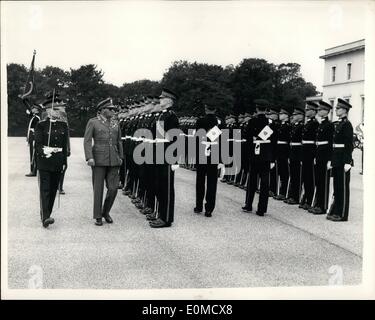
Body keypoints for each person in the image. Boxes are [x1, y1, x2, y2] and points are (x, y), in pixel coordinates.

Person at [83, 98, 123, 226]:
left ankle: (106, 211)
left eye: (113, 109)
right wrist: (89, 157)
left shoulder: (115, 123)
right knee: (98, 189)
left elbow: (119, 141)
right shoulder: (93, 122)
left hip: (114, 159)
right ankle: (98, 216)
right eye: (110, 109)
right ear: (102, 110)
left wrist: (121, 156)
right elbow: (87, 140)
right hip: (98, 159)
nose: (113, 111)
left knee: (113, 188)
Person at [34, 96, 69, 228]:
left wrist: (65, 161)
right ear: (49, 111)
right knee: (45, 189)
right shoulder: (41, 125)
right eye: (57, 109)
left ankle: (46, 212)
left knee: (54, 188)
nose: (60, 111)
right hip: (45, 160)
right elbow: (37, 144)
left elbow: (64, 146)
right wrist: (44, 151)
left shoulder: (63, 125)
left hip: (58, 161)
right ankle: (45, 217)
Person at [149, 88, 180, 228]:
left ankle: (166, 218)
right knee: (159, 186)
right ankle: (160, 214)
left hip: (167, 156)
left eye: (162, 98)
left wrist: (174, 160)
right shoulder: (162, 116)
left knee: (166, 188)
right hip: (159, 154)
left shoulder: (172, 117)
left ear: (169, 101)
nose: (160, 100)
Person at [242, 99, 276, 216]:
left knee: (252, 180)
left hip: (254, 153)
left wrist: (248, 154)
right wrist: (272, 158)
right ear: (266, 110)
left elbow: (247, 139)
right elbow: (274, 142)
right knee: (265, 182)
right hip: (266, 154)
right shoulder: (270, 122)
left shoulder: (252, 121)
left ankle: (248, 204)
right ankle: (261, 208)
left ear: (257, 109)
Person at [194, 102, 224, 217]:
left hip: (202, 151)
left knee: (200, 181)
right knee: (212, 182)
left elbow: (197, 139)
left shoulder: (200, 121)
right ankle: (209, 209)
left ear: (206, 109)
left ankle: (198, 206)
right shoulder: (219, 122)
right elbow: (223, 142)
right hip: (215, 152)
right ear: (215, 109)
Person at [327, 98, 353, 222]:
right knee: (337, 186)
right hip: (337, 158)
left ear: (344, 110)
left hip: (343, 159)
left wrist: (348, 161)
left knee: (342, 187)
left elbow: (349, 144)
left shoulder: (347, 124)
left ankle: (342, 214)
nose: (336, 110)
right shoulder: (339, 124)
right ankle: (336, 210)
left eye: (338, 108)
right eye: (336, 108)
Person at [308, 100, 334, 215]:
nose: (318, 111)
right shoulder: (322, 124)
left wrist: (329, 159)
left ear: (326, 111)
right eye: (318, 109)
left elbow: (330, 143)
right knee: (318, 181)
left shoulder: (329, 125)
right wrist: (315, 155)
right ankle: (318, 203)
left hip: (324, 156)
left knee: (323, 182)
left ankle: (322, 206)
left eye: (320, 110)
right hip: (319, 154)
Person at [299, 101, 319, 210]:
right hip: (305, 153)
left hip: (310, 153)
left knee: (310, 178)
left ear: (314, 111)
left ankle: (310, 199)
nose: (306, 111)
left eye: (308, 110)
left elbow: (315, 141)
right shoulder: (307, 124)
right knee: (306, 177)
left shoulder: (315, 124)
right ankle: (306, 196)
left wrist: (314, 155)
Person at [284, 105, 304, 205]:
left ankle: (296, 196)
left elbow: (302, 142)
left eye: (295, 114)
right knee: (293, 175)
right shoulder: (294, 126)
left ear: (300, 116)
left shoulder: (301, 126)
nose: (293, 116)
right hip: (292, 152)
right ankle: (292, 195)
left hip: (297, 152)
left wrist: (301, 156)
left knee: (297, 175)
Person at [274, 105, 292, 201]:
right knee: (280, 172)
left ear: (286, 116)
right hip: (279, 150)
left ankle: (283, 192)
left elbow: (289, 141)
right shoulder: (280, 125)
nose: (279, 115)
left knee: (285, 173)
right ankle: (280, 191)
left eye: (281, 114)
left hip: (284, 151)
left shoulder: (288, 126)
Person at [25, 104, 41, 177]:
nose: (32, 109)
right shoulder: (34, 117)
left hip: (34, 138)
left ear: (37, 110)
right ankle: (33, 170)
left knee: (33, 155)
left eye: (33, 108)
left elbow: (37, 130)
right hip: (32, 137)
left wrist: (34, 138)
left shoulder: (36, 118)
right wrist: (24, 100)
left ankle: (33, 171)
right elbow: (28, 107)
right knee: (32, 154)